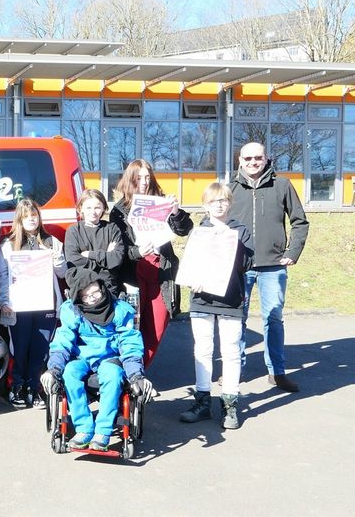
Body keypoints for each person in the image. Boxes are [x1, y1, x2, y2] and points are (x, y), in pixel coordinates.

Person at [229, 142, 309, 393]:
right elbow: (213, 220)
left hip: (273, 266)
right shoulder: (230, 188)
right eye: (248, 158)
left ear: (266, 159)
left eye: (258, 157)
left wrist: (292, 252)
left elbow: (300, 222)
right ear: (240, 160)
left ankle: (277, 372)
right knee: (236, 319)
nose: (253, 162)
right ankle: (234, 370)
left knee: (273, 319)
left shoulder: (282, 186)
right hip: (238, 267)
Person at [42, 267, 147, 452]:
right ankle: (84, 429)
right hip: (82, 356)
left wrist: (136, 376)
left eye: (95, 293)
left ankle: (102, 432)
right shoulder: (72, 310)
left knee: (112, 374)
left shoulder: (120, 310)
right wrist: (53, 369)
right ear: (78, 298)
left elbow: (130, 343)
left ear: (102, 288)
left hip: (110, 357)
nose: (92, 299)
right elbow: (62, 341)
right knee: (70, 373)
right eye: (86, 296)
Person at [181, 183, 253, 430]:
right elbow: (189, 264)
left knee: (231, 351)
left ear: (230, 203)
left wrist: (234, 244)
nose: (219, 205)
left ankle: (229, 404)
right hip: (202, 299)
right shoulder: (199, 231)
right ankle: (202, 402)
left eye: (223, 200)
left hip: (231, 299)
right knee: (202, 350)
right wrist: (192, 280)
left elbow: (247, 264)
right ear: (205, 205)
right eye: (214, 201)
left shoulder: (239, 231)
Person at [110, 159, 194, 368]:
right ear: (130, 179)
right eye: (139, 177)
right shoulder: (119, 210)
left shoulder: (161, 202)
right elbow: (119, 249)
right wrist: (137, 251)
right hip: (134, 272)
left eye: (147, 177)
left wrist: (175, 212)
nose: (144, 182)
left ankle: (138, 373)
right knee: (133, 327)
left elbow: (184, 229)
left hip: (161, 271)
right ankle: (131, 375)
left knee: (158, 326)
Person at [0, 198, 66, 409]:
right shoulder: (8, 245)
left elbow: (62, 273)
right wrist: (3, 301)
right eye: (26, 217)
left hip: (46, 304)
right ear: (19, 219)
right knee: (20, 348)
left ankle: (34, 388)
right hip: (19, 306)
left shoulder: (52, 242)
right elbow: (3, 276)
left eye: (34, 215)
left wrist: (57, 259)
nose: (31, 220)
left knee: (41, 349)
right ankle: (17, 387)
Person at [64, 189, 124, 297]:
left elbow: (116, 259)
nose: (93, 212)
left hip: (107, 288)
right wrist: (105, 261)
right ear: (80, 208)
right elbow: (73, 261)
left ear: (103, 208)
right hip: (82, 288)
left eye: (97, 207)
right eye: (88, 207)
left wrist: (89, 255)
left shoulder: (112, 229)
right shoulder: (73, 231)